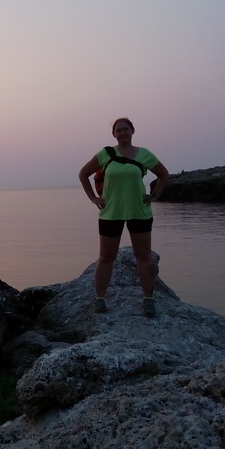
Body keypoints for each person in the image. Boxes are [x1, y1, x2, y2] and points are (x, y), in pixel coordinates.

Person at [78, 118, 170, 316]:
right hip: (111, 212)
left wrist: (154, 195)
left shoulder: (144, 154)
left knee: (144, 256)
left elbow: (163, 174)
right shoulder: (106, 154)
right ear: (114, 134)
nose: (122, 133)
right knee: (106, 257)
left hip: (139, 211)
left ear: (132, 131)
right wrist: (93, 198)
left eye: (125, 129)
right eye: (118, 130)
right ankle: (100, 299)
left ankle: (148, 300)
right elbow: (83, 174)